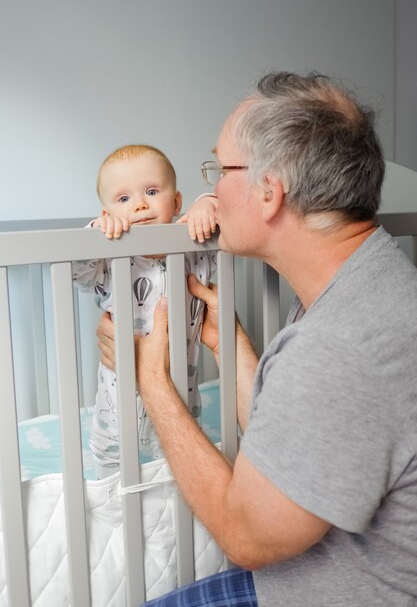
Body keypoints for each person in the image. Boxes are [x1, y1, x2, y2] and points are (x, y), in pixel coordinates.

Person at [97, 73, 417, 606]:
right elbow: (300, 438)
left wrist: (149, 380)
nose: (212, 189)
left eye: (219, 169)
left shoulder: (338, 345)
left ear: (269, 192)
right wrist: (230, 343)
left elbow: (246, 535)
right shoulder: (365, 283)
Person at [73, 144, 217, 477]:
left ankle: (176, 518)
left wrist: (207, 204)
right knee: (110, 459)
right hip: (118, 398)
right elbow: (78, 269)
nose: (139, 204)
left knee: (180, 459)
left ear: (177, 202)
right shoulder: (109, 261)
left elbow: (226, 220)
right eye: (123, 199)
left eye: (152, 191)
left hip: (181, 391)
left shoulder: (195, 248)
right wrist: (95, 234)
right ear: (107, 212)